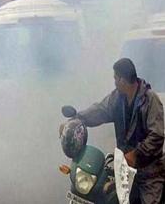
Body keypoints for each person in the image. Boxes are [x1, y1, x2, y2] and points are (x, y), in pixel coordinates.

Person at [62, 58, 164, 204]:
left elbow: (157, 135)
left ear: (123, 79)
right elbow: (100, 110)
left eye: (116, 78)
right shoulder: (117, 98)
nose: (114, 82)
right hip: (123, 168)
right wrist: (77, 119)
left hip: (149, 171)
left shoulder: (150, 100)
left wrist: (136, 154)